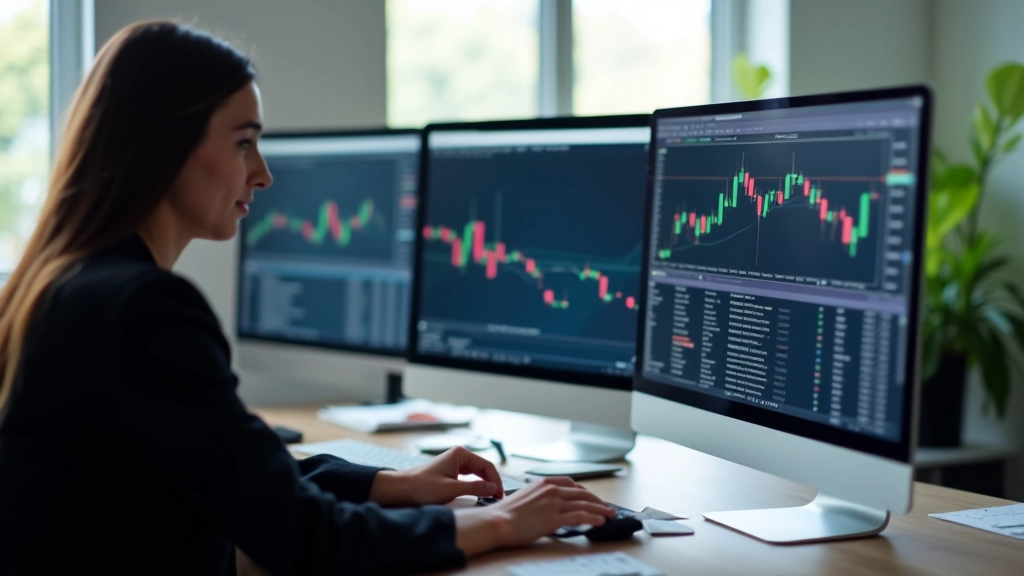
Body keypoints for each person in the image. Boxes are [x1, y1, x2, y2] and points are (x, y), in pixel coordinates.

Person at [0, 21, 615, 576]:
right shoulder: (144, 309)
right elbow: (303, 537)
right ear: (168, 146)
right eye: (244, 141)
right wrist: (504, 521)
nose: (263, 172)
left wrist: (391, 484)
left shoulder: (55, 288)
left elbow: (227, 470)